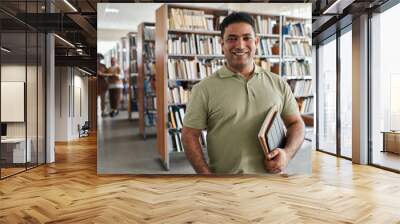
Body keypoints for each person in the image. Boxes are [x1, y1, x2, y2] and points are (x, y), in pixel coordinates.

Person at [181, 12, 305, 174]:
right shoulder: (203, 89)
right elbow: (189, 134)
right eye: (232, 38)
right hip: (227, 187)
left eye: (247, 38)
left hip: (272, 185)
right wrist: (206, 175)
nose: (240, 45)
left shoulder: (279, 83)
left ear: (257, 42)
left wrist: (287, 155)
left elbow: (296, 123)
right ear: (222, 44)